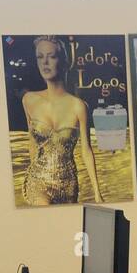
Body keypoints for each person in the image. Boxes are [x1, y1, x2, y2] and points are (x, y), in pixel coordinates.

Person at [21, 36, 102, 205]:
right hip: (38, 182)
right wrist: (31, 174)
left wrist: (97, 193)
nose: (45, 62)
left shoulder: (78, 106)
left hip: (69, 185)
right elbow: (32, 142)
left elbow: (86, 150)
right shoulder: (29, 100)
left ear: (63, 61)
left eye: (51, 56)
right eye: (40, 57)